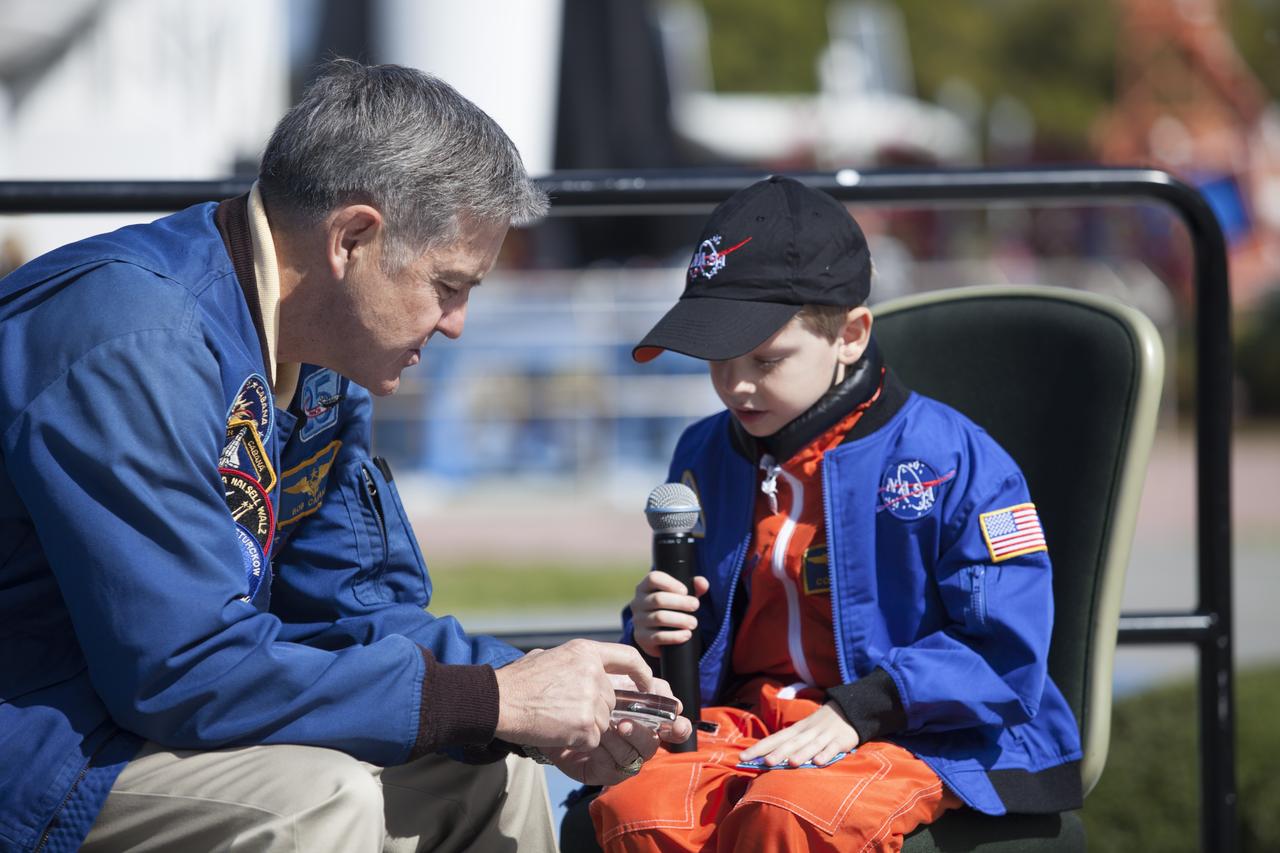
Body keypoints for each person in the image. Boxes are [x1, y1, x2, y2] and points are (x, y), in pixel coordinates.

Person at [0, 60, 689, 853]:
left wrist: (554, 690)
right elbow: (179, 668)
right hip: (43, 746)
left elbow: (354, 608)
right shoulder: (129, 338)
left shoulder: (315, 354)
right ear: (352, 238)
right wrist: (496, 698)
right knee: (316, 801)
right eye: (449, 285)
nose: (459, 323)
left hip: (123, 725)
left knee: (486, 769)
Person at [588, 176, 1084, 852]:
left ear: (850, 335)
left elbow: (1005, 647)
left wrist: (863, 707)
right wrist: (651, 636)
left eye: (766, 358)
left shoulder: (955, 460)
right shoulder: (702, 451)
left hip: (922, 729)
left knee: (790, 815)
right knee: (639, 808)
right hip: (751, 720)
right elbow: (702, 640)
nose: (736, 383)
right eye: (718, 358)